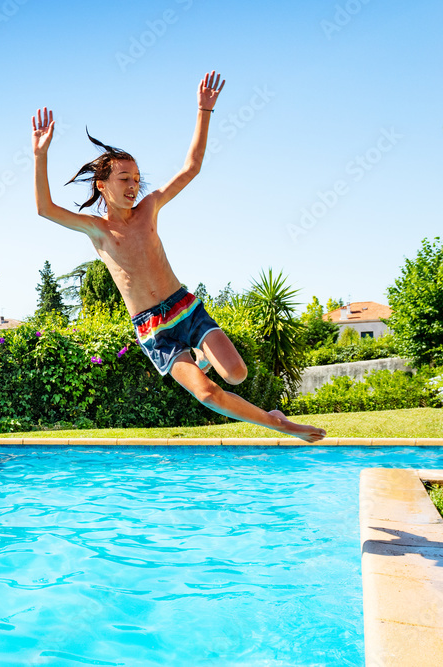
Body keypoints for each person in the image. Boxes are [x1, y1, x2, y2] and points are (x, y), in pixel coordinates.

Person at [32, 71, 325, 443]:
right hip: (153, 328)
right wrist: (41, 155)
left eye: (137, 177)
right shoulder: (98, 230)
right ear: (102, 185)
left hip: (184, 307)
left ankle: (205, 360)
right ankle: (278, 423)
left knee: (236, 374)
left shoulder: (150, 208)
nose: (134, 185)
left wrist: (204, 111)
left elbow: (191, 168)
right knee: (207, 393)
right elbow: (45, 208)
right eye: (124, 179)